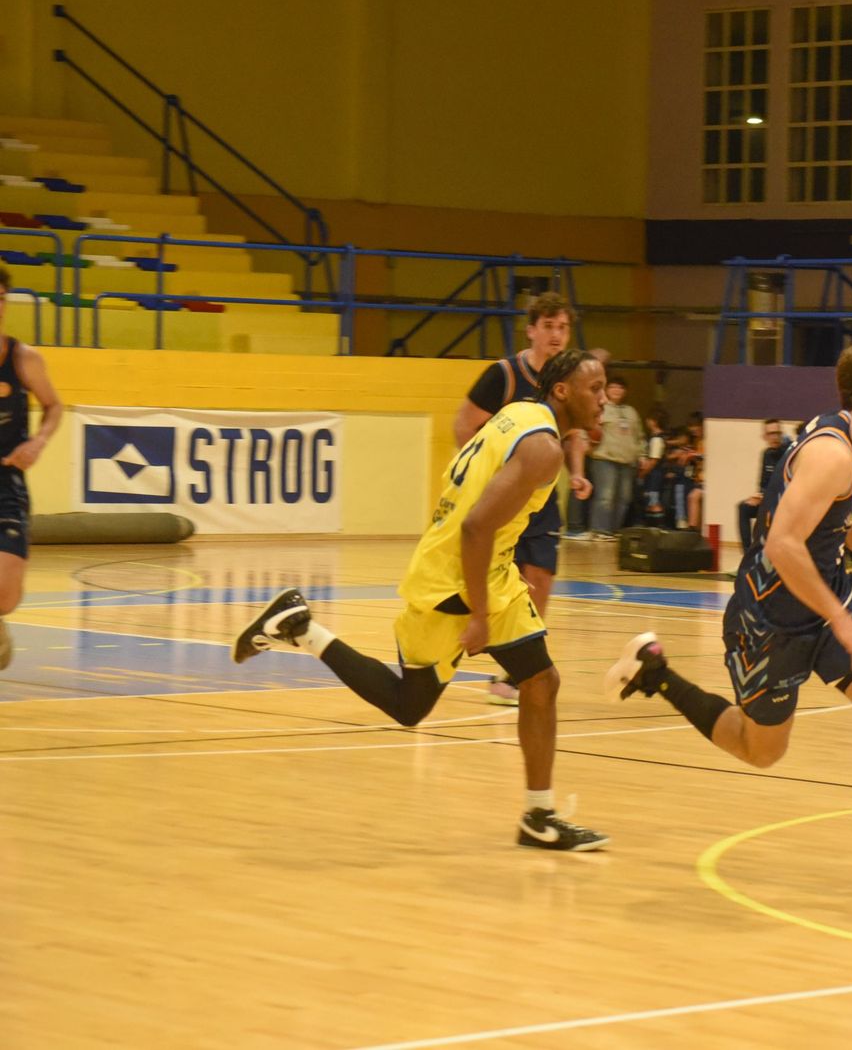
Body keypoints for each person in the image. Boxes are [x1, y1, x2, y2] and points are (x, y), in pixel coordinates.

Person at [602, 338, 852, 904]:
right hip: (769, 617)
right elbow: (781, 544)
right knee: (762, 750)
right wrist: (841, 622)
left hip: (825, 598)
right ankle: (657, 675)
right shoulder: (834, 454)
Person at [234, 349, 612, 851]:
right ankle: (300, 628)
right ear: (562, 392)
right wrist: (478, 616)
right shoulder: (543, 449)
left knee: (541, 681)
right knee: (410, 706)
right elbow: (478, 526)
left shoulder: (519, 412)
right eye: (596, 388)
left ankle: (539, 815)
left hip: (483, 571)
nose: (605, 399)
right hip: (458, 579)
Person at [453, 292, 589, 707]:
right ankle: (463, 637)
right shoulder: (505, 375)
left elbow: (575, 432)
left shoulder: (570, 380)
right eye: (548, 326)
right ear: (531, 330)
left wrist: (577, 471)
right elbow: (464, 426)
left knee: (542, 575)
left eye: (562, 327)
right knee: (492, 576)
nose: (556, 334)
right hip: (503, 492)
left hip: (542, 494)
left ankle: (518, 667)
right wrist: (485, 474)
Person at [0, 267, 62, 669]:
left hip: (6, 480)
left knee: (7, 592)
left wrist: (38, 442)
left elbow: (54, 406)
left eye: (0, 298)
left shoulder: (23, 358)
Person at [588, 376, 643, 540]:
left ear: (625, 391)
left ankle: (613, 531)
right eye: (613, 387)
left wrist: (642, 455)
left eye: (620, 388)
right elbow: (588, 430)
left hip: (627, 461)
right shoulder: (600, 408)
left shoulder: (631, 411)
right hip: (604, 459)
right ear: (606, 390)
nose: (616, 391)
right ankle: (599, 530)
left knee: (624, 499)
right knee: (606, 496)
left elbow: (639, 436)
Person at [737, 419, 791, 553]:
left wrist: (766, 497)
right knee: (743, 507)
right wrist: (758, 495)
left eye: (777, 433)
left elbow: (788, 485)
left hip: (784, 503)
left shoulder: (788, 453)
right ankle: (747, 555)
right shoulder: (766, 454)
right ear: (764, 436)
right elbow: (762, 484)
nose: (775, 437)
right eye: (771, 434)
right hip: (768, 501)